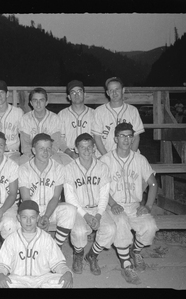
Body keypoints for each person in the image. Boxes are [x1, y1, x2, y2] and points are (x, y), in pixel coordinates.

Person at [100, 122, 158, 285]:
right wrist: (112, 203)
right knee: (122, 223)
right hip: (113, 204)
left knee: (149, 226)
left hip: (134, 205)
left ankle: (136, 251)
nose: (126, 139)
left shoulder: (139, 159)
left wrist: (147, 206)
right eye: (122, 136)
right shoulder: (105, 159)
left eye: (129, 136)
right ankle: (126, 265)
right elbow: (101, 187)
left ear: (133, 139)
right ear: (115, 138)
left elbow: (153, 183)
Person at [64, 133, 116, 275]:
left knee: (110, 229)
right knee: (79, 232)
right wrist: (86, 216)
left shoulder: (102, 167)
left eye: (89, 147)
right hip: (79, 210)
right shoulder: (69, 168)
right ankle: (78, 254)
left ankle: (92, 255)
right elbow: (70, 197)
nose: (86, 151)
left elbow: (105, 194)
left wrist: (99, 215)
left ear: (94, 148)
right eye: (82, 147)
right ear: (76, 149)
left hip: (98, 208)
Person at [0, 200, 73, 288]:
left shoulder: (46, 238)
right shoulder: (11, 239)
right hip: (19, 279)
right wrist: (0, 275)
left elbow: (58, 263)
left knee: (63, 282)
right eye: (24, 217)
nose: (28, 221)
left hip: (43, 279)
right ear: (18, 218)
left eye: (32, 217)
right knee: (1, 283)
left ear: (37, 218)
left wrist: (67, 272)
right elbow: (2, 265)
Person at [18, 133, 76, 249]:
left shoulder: (58, 168)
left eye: (48, 148)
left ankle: (55, 246)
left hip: (51, 209)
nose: (45, 152)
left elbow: (56, 197)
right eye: (41, 149)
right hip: (31, 210)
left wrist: (46, 216)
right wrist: (38, 217)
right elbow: (26, 200)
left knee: (70, 210)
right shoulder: (24, 169)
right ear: (34, 150)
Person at [93, 77, 145, 158]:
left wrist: (130, 157)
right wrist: (107, 158)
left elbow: (136, 137)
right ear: (107, 93)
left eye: (117, 89)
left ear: (123, 90)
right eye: (111, 90)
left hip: (129, 155)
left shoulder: (132, 110)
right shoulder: (99, 111)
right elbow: (97, 138)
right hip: (104, 155)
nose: (114, 93)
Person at [19, 87, 71, 165]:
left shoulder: (54, 118)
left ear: (46, 102)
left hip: (50, 154)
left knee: (64, 164)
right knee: (17, 165)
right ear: (31, 103)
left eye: (41, 100)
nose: (38, 103)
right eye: (35, 100)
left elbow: (55, 144)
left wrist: (45, 155)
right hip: (30, 154)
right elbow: (25, 145)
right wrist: (34, 156)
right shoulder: (25, 118)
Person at [58, 80, 96, 160]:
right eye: (73, 92)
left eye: (79, 91)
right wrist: (69, 153)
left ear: (84, 94)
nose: (76, 95)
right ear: (69, 97)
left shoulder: (94, 114)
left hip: (89, 154)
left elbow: (97, 138)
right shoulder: (62, 114)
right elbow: (59, 139)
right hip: (67, 154)